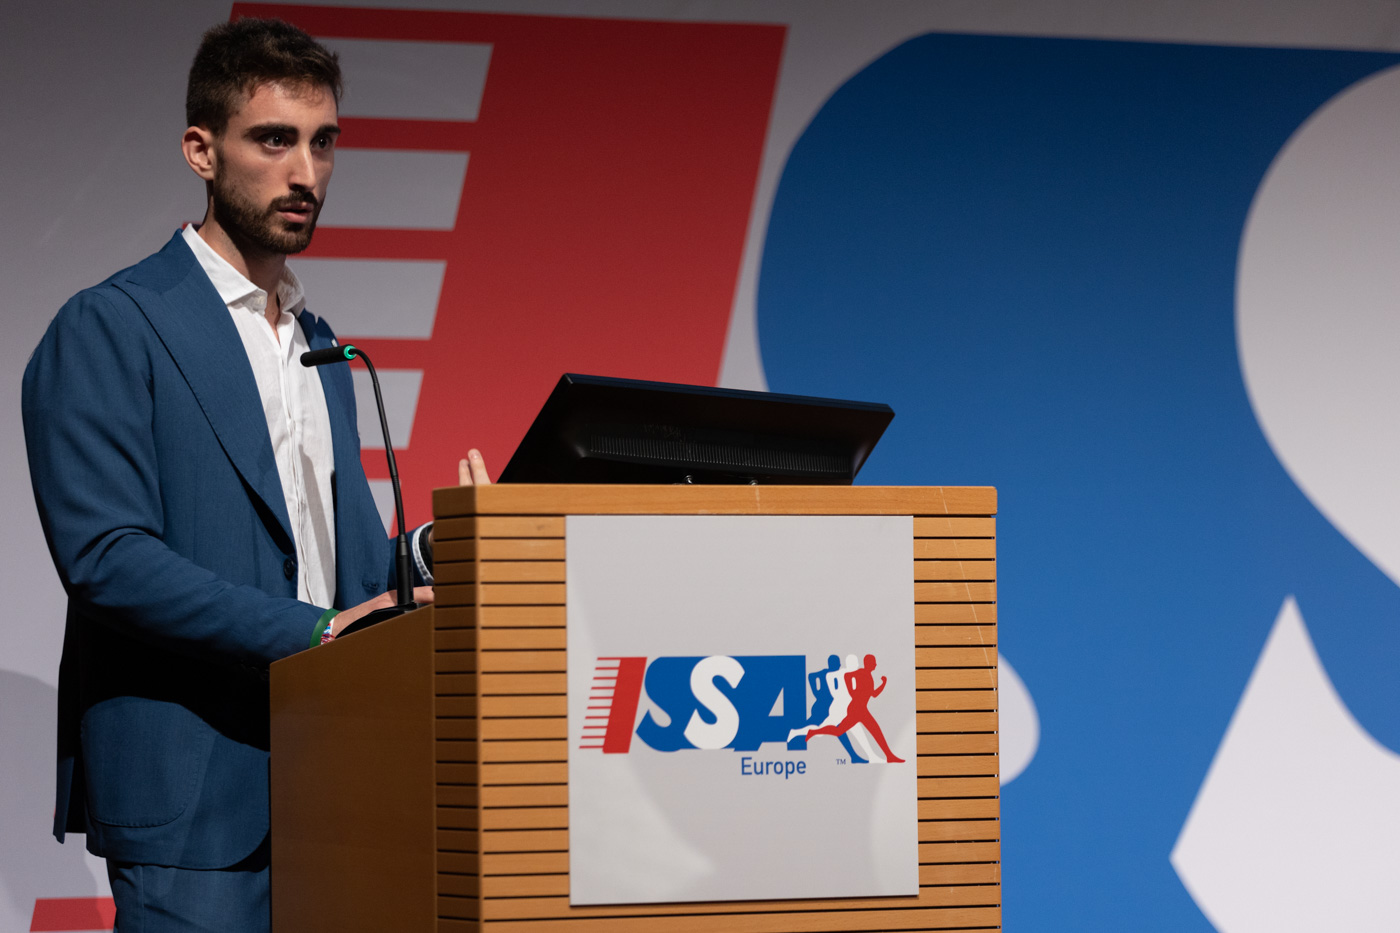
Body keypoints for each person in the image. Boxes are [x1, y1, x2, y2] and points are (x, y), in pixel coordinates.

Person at [20, 17, 487, 931]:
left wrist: (449, 544)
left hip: (336, 784)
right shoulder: (111, 324)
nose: (306, 173)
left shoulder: (322, 345)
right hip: (195, 794)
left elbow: (346, 572)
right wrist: (313, 632)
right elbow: (107, 557)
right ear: (201, 150)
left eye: (323, 143)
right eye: (274, 140)